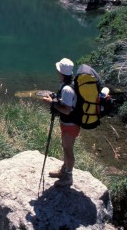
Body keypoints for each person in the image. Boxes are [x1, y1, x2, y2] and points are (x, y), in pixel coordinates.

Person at [42, 58, 80, 187]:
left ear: (61, 73)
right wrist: (55, 99)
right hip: (68, 124)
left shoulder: (67, 89)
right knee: (65, 147)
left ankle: (68, 177)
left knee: (68, 149)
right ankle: (64, 169)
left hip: (70, 124)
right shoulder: (68, 84)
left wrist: (51, 103)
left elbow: (67, 110)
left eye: (58, 71)